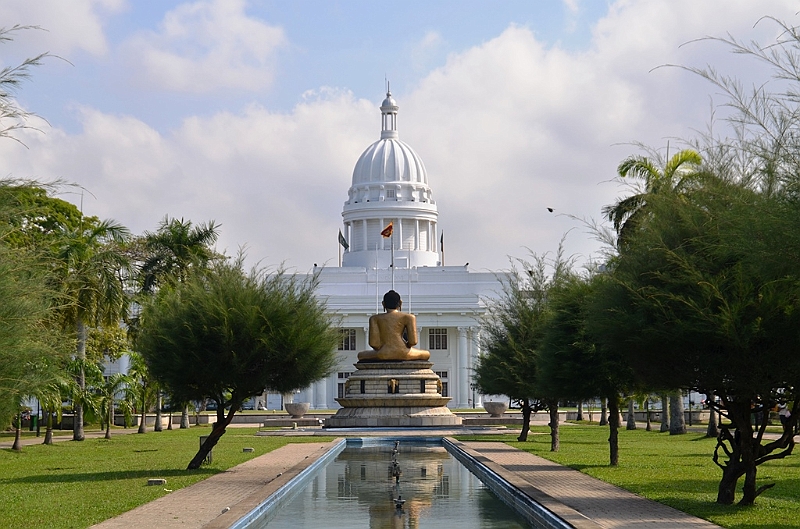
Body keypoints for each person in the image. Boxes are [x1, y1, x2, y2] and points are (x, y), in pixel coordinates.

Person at [357, 290, 430, 362]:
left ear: (383, 304)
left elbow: (374, 344)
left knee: (361, 355)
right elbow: (413, 342)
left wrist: (383, 348)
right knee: (426, 354)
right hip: (404, 352)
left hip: (383, 353)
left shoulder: (374, 319)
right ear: (400, 303)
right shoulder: (409, 317)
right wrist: (405, 346)